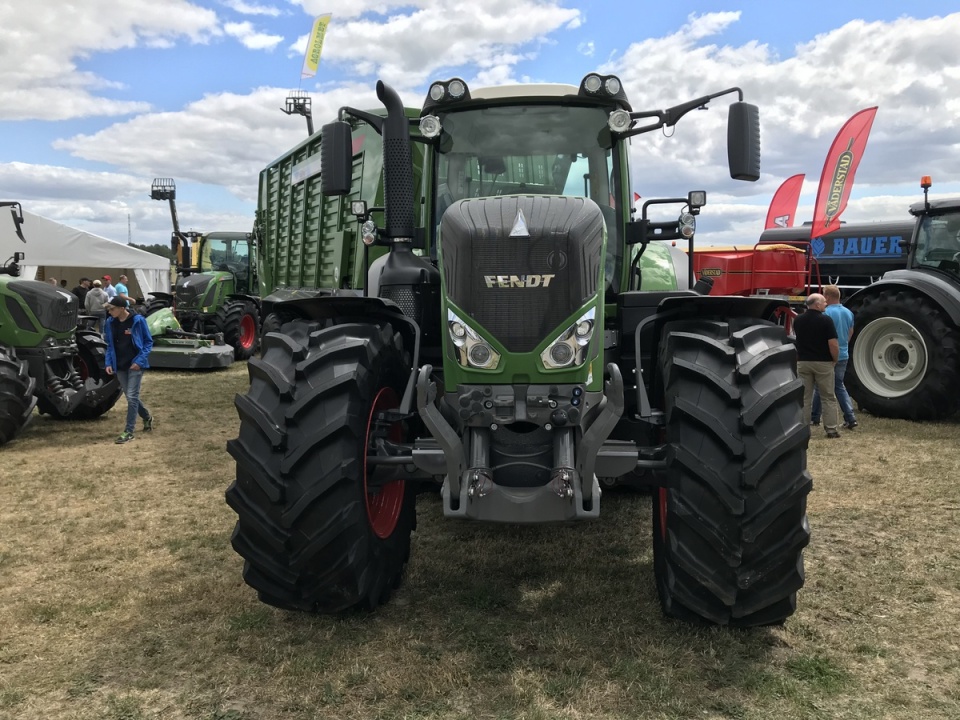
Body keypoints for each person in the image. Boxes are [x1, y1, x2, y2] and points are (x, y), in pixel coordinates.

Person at [103, 296, 154, 444]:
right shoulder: (110, 322)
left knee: (131, 397)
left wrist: (139, 361)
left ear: (121, 308)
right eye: (108, 309)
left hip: (135, 365)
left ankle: (129, 431)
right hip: (120, 365)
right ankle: (146, 417)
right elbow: (109, 345)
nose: (109, 311)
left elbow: (148, 342)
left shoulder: (138, 321)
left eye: (112, 309)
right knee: (132, 398)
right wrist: (108, 363)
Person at [794, 292, 841, 438]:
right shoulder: (826, 320)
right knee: (828, 397)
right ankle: (831, 429)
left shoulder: (798, 320)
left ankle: (803, 428)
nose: (826, 303)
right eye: (823, 302)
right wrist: (835, 359)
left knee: (804, 397)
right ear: (817, 304)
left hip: (803, 362)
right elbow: (832, 343)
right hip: (823, 362)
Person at [812, 285, 858, 430]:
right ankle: (850, 417)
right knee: (839, 385)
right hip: (843, 353)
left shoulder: (825, 314)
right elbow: (850, 332)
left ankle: (814, 416)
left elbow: (821, 335)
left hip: (827, 355)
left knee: (821, 386)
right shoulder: (848, 313)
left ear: (827, 297)